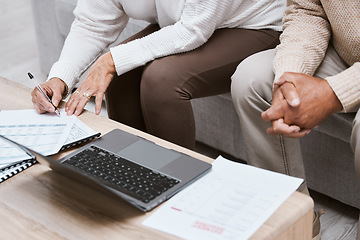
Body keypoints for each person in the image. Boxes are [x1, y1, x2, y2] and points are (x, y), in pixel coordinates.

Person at [31, 0, 285, 150]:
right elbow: (92, 23)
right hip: (193, 22)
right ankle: (133, 177)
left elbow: (193, 29)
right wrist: (60, 78)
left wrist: (110, 61)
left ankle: (180, 195)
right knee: (121, 76)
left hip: (254, 23)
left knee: (162, 81)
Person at [231, 1, 360, 239]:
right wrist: (289, 77)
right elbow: (307, 10)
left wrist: (333, 93)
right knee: (251, 81)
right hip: (346, 55)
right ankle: (294, 220)